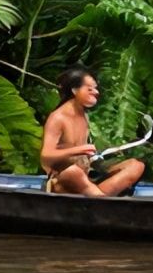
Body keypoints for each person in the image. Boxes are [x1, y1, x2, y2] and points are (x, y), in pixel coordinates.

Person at [41, 66, 145, 196]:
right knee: (74, 173)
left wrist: (103, 153)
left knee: (135, 166)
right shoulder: (58, 118)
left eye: (95, 88)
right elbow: (46, 156)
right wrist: (78, 150)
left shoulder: (83, 114)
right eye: (90, 89)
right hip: (65, 179)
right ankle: (100, 198)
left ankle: (99, 196)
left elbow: (86, 155)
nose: (96, 92)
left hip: (85, 180)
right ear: (74, 90)